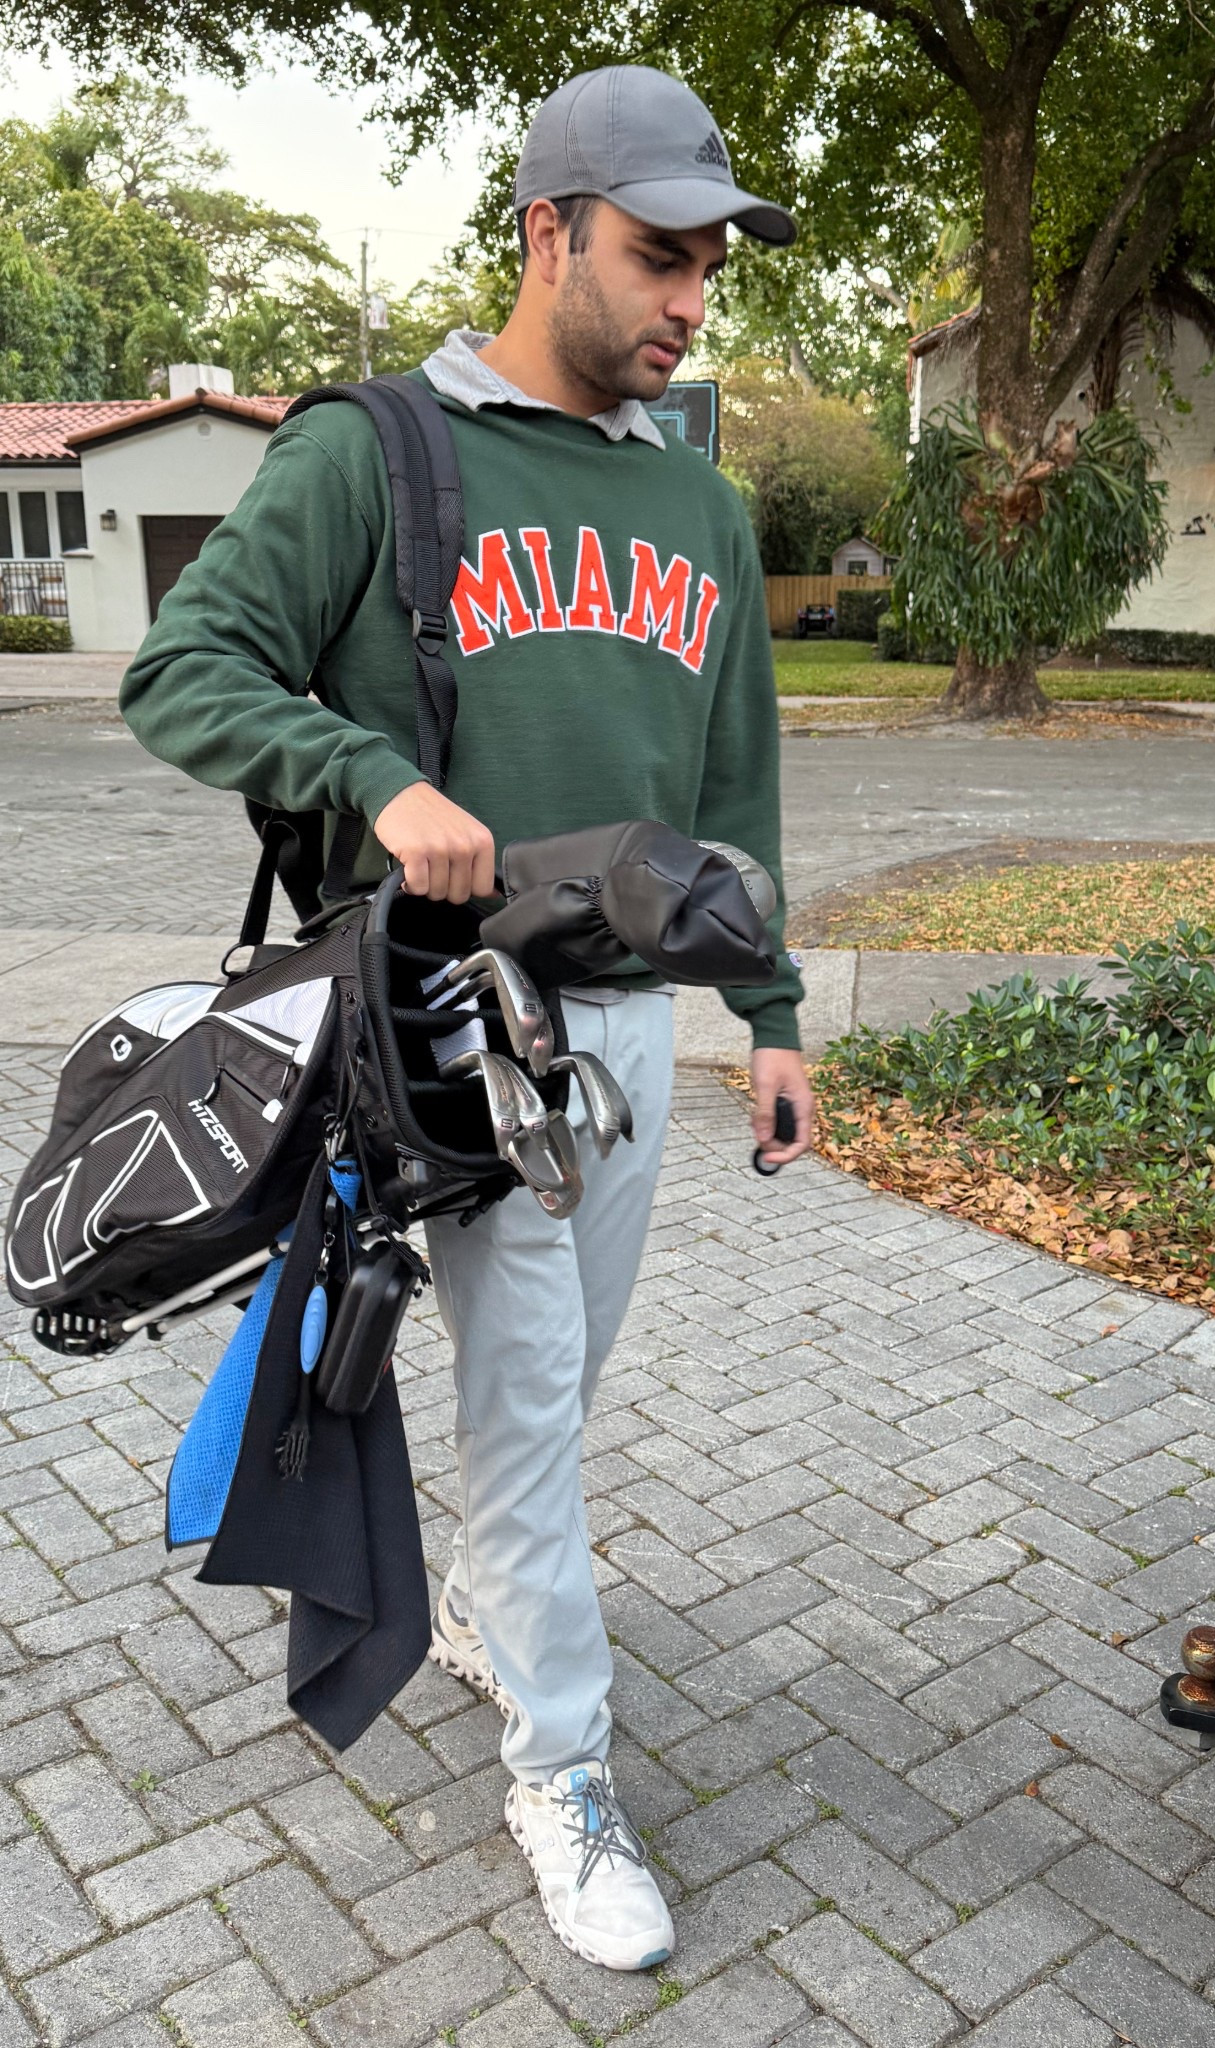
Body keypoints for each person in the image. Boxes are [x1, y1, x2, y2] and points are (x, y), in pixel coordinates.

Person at [119, 63, 814, 1975]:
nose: (689, 302)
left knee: (557, 1390)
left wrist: (768, 1013)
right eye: (657, 259)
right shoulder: (380, 452)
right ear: (546, 234)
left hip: (637, 1047)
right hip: (461, 1036)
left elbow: (733, 784)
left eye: (708, 269)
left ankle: (499, 1606)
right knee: (527, 1418)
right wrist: (365, 772)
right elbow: (186, 668)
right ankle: (563, 1771)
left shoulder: (707, 512)